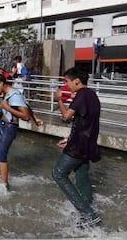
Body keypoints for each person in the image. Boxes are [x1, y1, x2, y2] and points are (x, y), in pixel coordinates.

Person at [52, 67, 102, 228]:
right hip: (87, 144)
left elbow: (66, 117)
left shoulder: (81, 95)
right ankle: (86, 209)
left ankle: (89, 214)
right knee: (81, 176)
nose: (65, 85)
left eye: (66, 81)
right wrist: (69, 138)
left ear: (77, 81)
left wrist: (59, 99)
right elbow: (86, 123)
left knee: (58, 174)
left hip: (78, 146)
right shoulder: (92, 95)